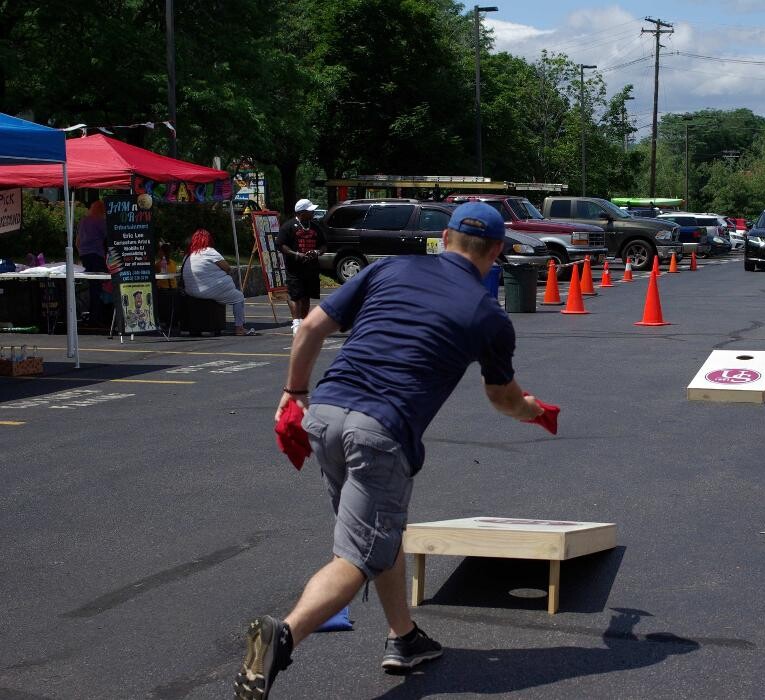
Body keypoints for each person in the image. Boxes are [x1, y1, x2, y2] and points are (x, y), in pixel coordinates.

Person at [234, 202, 552, 699]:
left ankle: (403, 638)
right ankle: (284, 636)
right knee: (358, 554)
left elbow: (313, 326)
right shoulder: (487, 315)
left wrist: (295, 392)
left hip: (326, 414)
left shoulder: (390, 267)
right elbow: (503, 398)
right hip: (378, 431)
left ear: (444, 238)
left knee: (379, 534)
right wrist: (532, 410)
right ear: (496, 251)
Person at [182, 229, 255, 336]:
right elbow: (227, 268)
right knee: (238, 297)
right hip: (209, 290)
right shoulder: (209, 251)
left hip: (191, 291)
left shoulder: (188, 255)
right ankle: (239, 328)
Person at [277, 198, 327, 335]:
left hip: (311, 268)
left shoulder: (315, 227)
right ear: (301, 213)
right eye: (310, 211)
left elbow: (323, 244)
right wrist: (296, 254)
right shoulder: (288, 226)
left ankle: (304, 322)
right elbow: (281, 245)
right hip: (294, 267)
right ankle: (296, 322)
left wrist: (317, 252)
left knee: (306, 296)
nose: (313, 213)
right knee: (295, 295)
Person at [76, 200, 108, 325]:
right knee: (98, 286)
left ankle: (93, 315)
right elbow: (109, 236)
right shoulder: (101, 222)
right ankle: (97, 316)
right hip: (96, 255)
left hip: (84, 255)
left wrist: (81, 254)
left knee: (92, 285)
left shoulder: (83, 221)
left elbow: (77, 242)